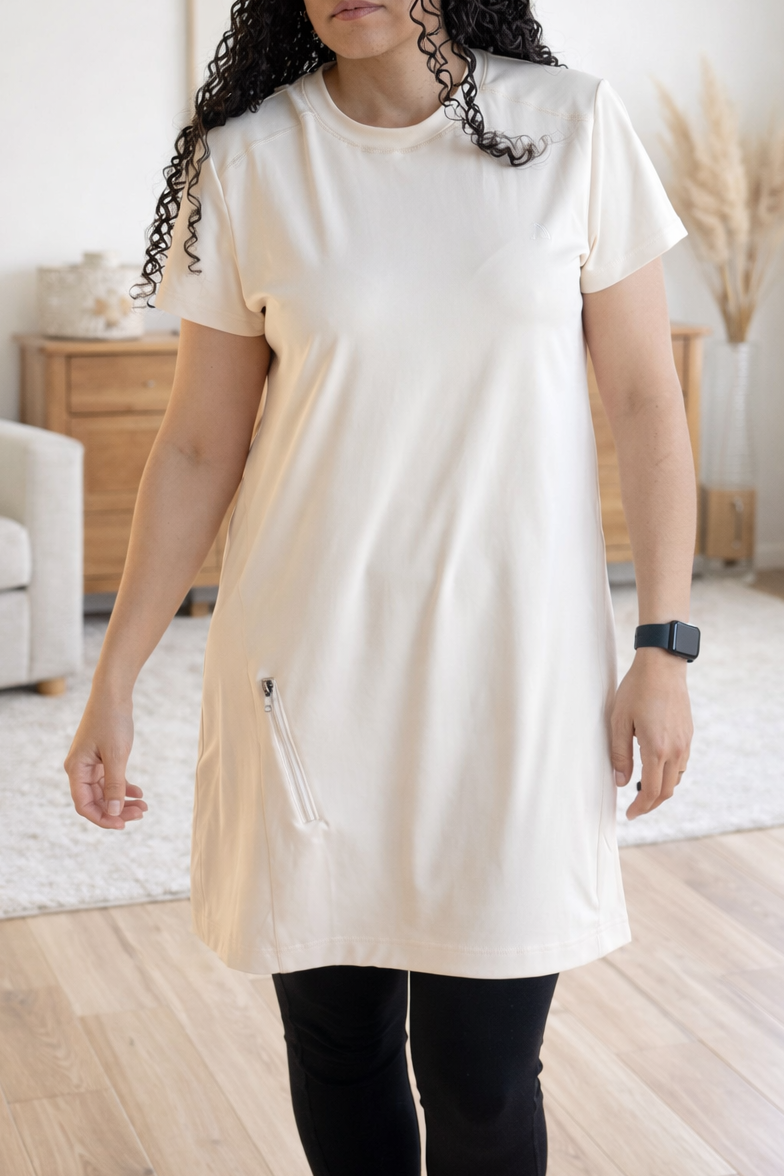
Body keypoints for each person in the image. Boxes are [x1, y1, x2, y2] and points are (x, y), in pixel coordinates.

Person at [64, 2, 698, 1173]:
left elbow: (648, 403)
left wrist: (663, 645)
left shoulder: (573, 127)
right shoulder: (250, 159)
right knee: (340, 1048)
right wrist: (113, 677)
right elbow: (201, 446)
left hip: (518, 679)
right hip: (307, 678)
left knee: (484, 1070)